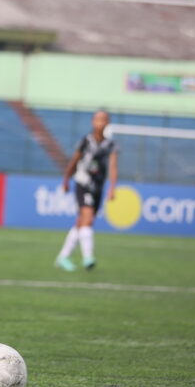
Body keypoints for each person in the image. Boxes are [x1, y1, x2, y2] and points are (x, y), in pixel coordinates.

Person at [55, 110, 118, 272]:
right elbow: (74, 161)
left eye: (103, 119)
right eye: (97, 119)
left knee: (82, 222)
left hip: (98, 187)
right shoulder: (85, 141)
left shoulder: (111, 145)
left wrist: (112, 188)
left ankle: (63, 256)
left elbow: (113, 167)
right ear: (92, 122)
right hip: (83, 184)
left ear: (108, 123)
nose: (100, 122)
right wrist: (66, 180)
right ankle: (88, 257)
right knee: (88, 219)